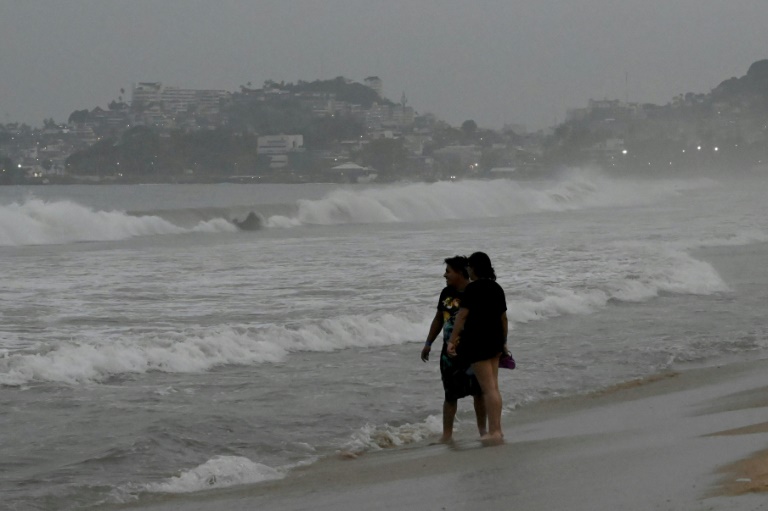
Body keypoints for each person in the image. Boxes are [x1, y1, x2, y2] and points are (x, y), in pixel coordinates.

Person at [421, 255, 487, 443]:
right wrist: (428, 343)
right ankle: (447, 435)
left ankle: (483, 432)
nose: (445, 275)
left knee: (479, 393)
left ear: (459, 272)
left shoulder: (474, 291)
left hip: (473, 351)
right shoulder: (446, 293)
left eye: (448, 271)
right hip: (448, 354)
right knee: (450, 395)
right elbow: (438, 318)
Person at [447, 252, 507, 446]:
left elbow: (462, 316)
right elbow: (503, 318)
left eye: (469, 267)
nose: (468, 271)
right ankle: (497, 429)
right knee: (494, 387)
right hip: (495, 341)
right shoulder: (497, 288)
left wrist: (452, 340)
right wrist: (504, 341)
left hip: (478, 342)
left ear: (475, 268)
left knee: (488, 388)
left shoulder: (473, 289)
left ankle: (494, 432)